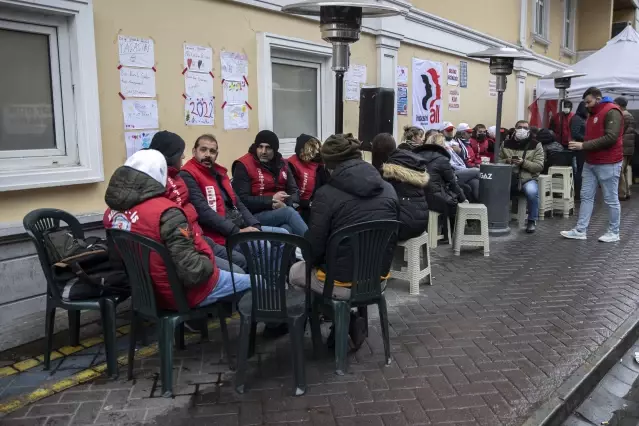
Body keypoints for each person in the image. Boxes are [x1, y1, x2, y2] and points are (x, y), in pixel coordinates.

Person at [288, 133, 400, 348]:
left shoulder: (325, 195)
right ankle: (346, 318)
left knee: (295, 272)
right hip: (378, 278)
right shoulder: (388, 188)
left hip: (341, 283)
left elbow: (314, 250)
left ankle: (341, 319)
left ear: (329, 166)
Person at [103, 150, 251, 310]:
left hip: (148, 295)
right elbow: (194, 272)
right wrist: (208, 260)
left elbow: (117, 262)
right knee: (261, 284)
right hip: (181, 294)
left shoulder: (111, 214)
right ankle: (255, 331)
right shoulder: (167, 213)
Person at [146, 131, 246, 273]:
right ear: (194, 151)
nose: (208, 155)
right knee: (243, 265)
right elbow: (202, 213)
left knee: (254, 251)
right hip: (198, 240)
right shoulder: (181, 176)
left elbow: (238, 202)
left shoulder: (216, 173)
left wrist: (254, 224)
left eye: (212, 151)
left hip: (201, 236)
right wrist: (236, 231)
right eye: (203, 150)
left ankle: (265, 286)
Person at [561, 87, 624, 242]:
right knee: (586, 196)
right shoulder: (593, 113)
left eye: (588, 102)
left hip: (608, 162)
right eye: (585, 103)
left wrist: (583, 146)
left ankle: (614, 232)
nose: (587, 105)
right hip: (592, 161)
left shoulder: (612, 111)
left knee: (610, 198)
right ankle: (581, 230)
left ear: (598, 98)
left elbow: (611, 137)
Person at [232, 130, 308, 236]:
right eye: (260, 147)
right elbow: (241, 200)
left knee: (286, 229)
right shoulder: (243, 165)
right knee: (288, 213)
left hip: (279, 211)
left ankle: (295, 252)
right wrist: (271, 201)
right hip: (253, 215)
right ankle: (313, 248)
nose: (263, 151)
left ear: (275, 150)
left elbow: (294, 192)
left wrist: (284, 204)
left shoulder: (282, 163)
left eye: (268, 148)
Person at [371, 133, 429, 241]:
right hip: (422, 221)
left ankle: (375, 257)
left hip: (405, 225)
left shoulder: (388, 171)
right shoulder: (408, 161)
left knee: (366, 227)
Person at [414, 132, 467, 238]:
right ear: (441, 145)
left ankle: (444, 231)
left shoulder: (415, 156)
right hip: (434, 199)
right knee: (455, 201)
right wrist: (463, 199)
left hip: (418, 197)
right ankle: (452, 234)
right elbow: (452, 183)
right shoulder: (442, 159)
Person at [499, 120, 544, 234]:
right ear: (515, 129)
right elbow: (497, 161)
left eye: (525, 128)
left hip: (527, 177)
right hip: (508, 177)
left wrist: (523, 163)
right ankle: (499, 218)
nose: (522, 130)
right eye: (520, 127)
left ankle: (531, 220)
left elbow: (539, 166)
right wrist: (507, 161)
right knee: (495, 190)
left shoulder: (536, 144)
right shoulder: (506, 143)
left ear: (529, 130)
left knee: (532, 192)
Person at [287, 134, 329, 222]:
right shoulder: (291, 164)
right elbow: (291, 191)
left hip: (315, 205)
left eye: (317, 149)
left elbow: (324, 187)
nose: (316, 152)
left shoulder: (320, 165)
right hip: (297, 206)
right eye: (312, 149)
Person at [614, 96, 636, 200]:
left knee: (620, 171)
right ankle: (627, 191)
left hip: (623, 147)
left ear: (619, 105)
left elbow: (620, 131)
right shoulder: (629, 115)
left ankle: (622, 193)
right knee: (624, 170)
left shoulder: (623, 115)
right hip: (629, 148)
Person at [570, 101, 588, 199]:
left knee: (582, 170)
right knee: (580, 170)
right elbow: (575, 133)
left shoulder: (582, 118)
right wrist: (587, 138)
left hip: (583, 146)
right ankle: (578, 193)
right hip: (579, 147)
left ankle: (580, 192)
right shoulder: (577, 118)